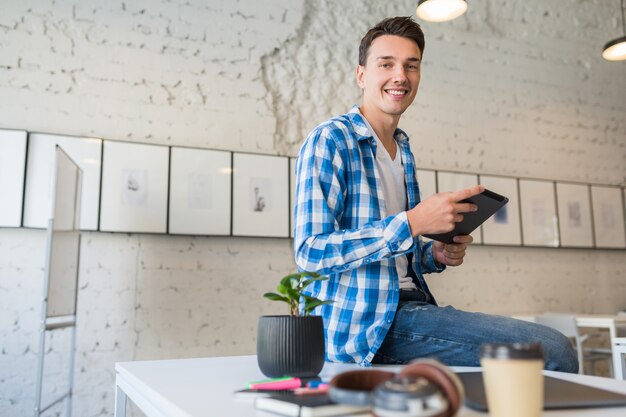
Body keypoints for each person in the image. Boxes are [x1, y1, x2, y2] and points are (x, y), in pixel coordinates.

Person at [293, 16, 578, 372]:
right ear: (361, 75)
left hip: (411, 308)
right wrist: (413, 222)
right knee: (552, 350)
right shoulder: (330, 140)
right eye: (387, 64)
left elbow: (396, 258)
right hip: (369, 326)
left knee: (549, 349)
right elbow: (310, 252)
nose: (401, 75)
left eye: (411, 66)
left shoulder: (402, 150)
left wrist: (434, 254)